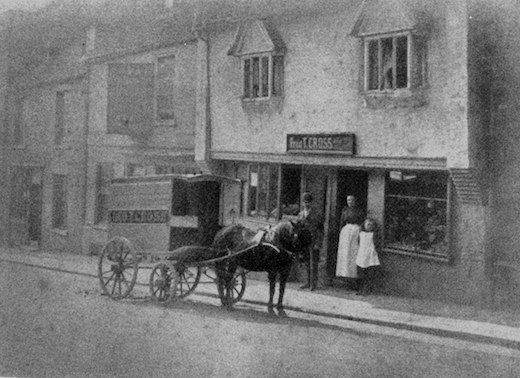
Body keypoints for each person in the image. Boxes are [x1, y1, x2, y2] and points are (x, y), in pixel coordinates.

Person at [297, 192, 323, 291]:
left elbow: (321, 230)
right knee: (306, 262)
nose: (306, 204)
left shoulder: (317, 214)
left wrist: (318, 243)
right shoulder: (300, 214)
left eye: (308, 202)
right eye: (304, 202)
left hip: (313, 240)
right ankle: (307, 282)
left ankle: (314, 284)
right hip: (304, 242)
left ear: (311, 203)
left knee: (314, 263)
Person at [336, 195, 364, 285]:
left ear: (355, 201)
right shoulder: (345, 210)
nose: (350, 202)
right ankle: (344, 274)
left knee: (353, 252)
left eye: (352, 200)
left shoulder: (359, 211)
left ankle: (353, 276)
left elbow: (362, 221)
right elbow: (341, 221)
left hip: (356, 230)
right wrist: (341, 230)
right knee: (345, 252)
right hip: (346, 231)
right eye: (348, 200)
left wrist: (360, 230)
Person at [356, 218, 381, 296]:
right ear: (364, 225)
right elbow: (359, 242)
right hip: (362, 254)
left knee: (369, 274)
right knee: (360, 273)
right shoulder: (361, 233)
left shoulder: (373, 234)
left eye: (371, 225)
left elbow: (376, 244)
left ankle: (366, 290)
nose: (369, 226)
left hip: (370, 255)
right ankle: (360, 289)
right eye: (368, 224)